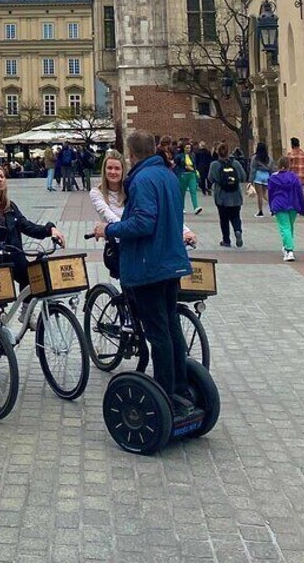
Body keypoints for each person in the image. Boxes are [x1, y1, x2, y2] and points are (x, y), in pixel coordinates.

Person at [92, 130, 195, 417]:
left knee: (158, 332)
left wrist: (108, 229)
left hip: (149, 266)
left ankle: (165, 394)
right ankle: (180, 388)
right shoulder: (169, 176)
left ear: (131, 154)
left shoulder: (142, 180)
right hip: (172, 263)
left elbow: (142, 223)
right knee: (172, 327)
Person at [91, 150, 196, 278]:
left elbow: (158, 212)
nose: (113, 172)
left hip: (138, 244)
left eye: (117, 168)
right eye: (109, 168)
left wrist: (185, 230)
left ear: (123, 170)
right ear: (104, 170)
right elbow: (110, 216)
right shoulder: (97, 193)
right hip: (119, 246)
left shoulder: (131, 187)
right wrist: (113, 228)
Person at [0, 164, 66, 291]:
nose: (0, 179)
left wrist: (50, 229)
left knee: (32, 278)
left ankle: (26, 310)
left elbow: (26, 225)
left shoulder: (9, 205)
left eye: (2, 176)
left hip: (12, 255)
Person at [208, 142, 247, 247]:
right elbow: (243, 176)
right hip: (235, 196)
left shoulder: (214, 165)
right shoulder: (236, 164)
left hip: (221, 196)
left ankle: (226, 240)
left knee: (224, 219)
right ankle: (238, 230)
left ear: (218, 152)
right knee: (236, 216)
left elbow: (210, 178)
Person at [267, 157, 304, 262]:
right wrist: (302, 207)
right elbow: (300, 193)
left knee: (285, 227)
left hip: (279, 204)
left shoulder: (273, 179)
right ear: (289, 165)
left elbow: (270, 194)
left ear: (278, 165)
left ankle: (289, 250)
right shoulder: (294, 178)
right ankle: (287, 246)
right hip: (293, 204)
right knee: (289, 227)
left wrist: (271, 207)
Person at [174, 143, 202, 214]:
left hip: (191, 174)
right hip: (183, 174)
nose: (188, 149)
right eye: (186, 148)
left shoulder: (192, 155)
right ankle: (182, 207)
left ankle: (196, 207)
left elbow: (194, 165)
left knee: (193, 191)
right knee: (182, 192)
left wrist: (196, 172)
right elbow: (177, 163)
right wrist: (184, 166)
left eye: (189, 148)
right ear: (183, 148)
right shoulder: (179, 156)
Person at [249, 142, 275, 217]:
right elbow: (272, 169)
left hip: (258, 175)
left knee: (259, 195)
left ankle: (260, 211)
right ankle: (272, 208)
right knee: (265, 194)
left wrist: (251, 180)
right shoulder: (269, 158)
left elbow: (253, 169)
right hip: (266, 175)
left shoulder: (255, 158)